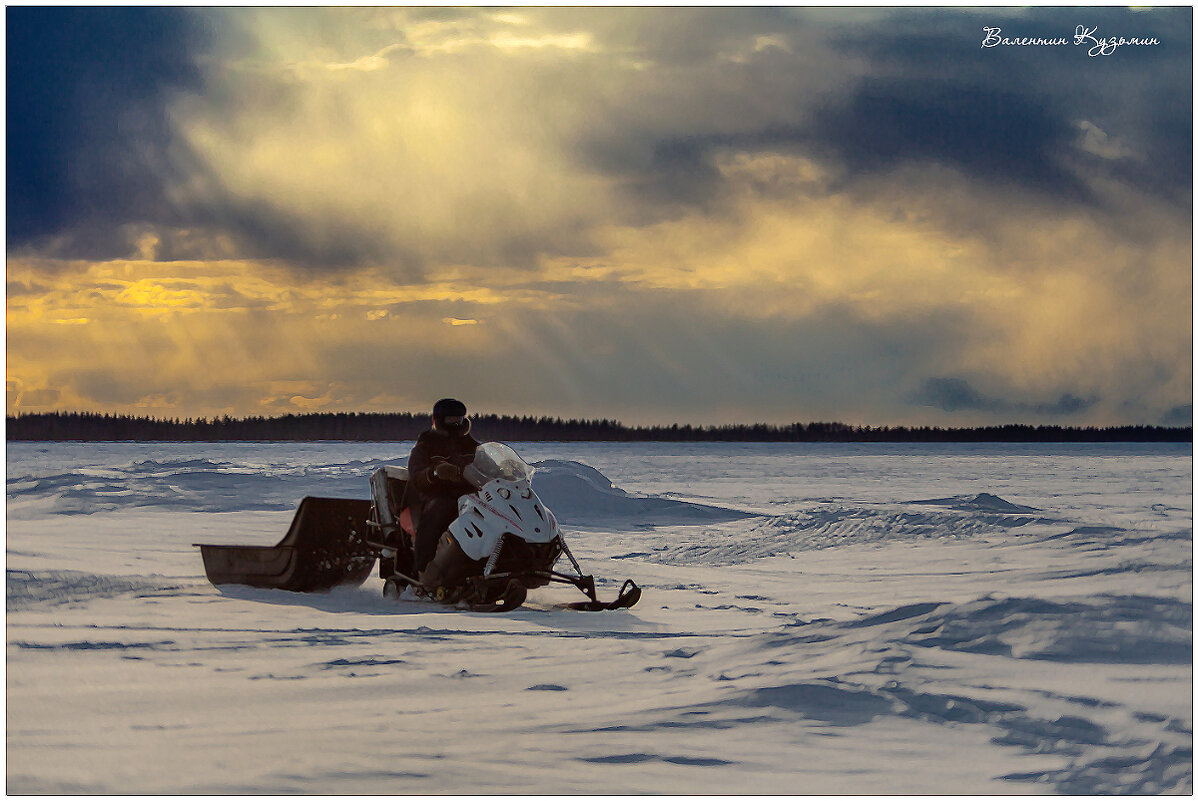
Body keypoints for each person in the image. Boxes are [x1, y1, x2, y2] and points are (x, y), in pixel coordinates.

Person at [406, 398, 479, 578]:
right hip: (435, 495)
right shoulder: (425, 446)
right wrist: (435, 473)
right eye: (451, 420)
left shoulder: (472, 445)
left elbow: (486, 464)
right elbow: (417, 476)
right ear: (439, 420)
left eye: (459, 420)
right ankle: (423, 569)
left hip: (470, 495)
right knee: (441, 508)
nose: (456, 424)